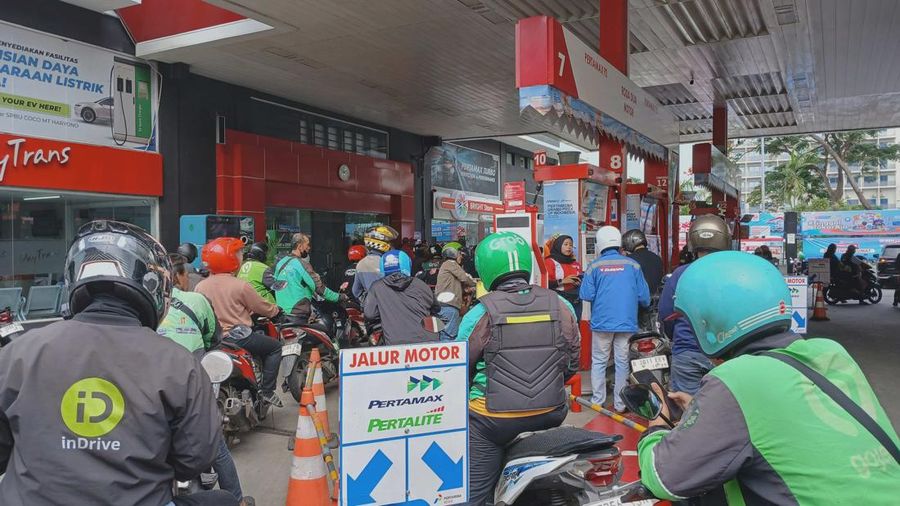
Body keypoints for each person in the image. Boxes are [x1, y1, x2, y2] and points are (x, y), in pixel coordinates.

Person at [0, 220, 235, 506]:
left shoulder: (17, 353)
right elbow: (194, 459)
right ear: (156, 286)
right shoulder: (179, 363)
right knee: (223, 500)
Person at [638, 252, 899, 504]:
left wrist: (657, 424)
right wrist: (709, 413)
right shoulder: (831, 352)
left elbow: (664, 478)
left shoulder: (736, 379)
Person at [456, 232, 581, 505]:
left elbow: (459, 369)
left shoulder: (479, 313)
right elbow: (572, 362)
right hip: (551, 412)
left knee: (471, 495)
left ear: (484, 269)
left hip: (490, 421)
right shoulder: (561, 305)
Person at [158, 253, 252, 506]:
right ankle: (237, 500)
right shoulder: (196, 299)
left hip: (152, 394)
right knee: (215, 444)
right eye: (185, 275)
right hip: (193, 383)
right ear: (179, 276)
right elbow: (213, 336)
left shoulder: (148, 305)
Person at [195, 237, 284, 408]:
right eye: (238, 253)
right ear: (230, 258)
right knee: (275, 347)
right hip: (239, 337)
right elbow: (262, 307)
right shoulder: (240, 286)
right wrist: (276, 311)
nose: (241, 256)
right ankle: (267, 391)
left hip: (213, 340)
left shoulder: (200, 286)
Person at [579, 226, 650, 412]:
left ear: (600, 244)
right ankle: (620, 403)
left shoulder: (594, 266)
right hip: (627, 322)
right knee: (622, 361)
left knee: (599, 361)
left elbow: (586, 294)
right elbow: (645, 298)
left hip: (602, 323)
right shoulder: (633, 265)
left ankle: (597, 401)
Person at [658, 215, 730, 395]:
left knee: (687, 408)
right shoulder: (734, 273)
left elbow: (666, 314)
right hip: (726, 353)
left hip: (687, 353)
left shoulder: (680, 274)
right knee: (727, 407)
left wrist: (678, 336)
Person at [364, 250, 440, 345]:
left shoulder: (377, 287)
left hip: (396, 342)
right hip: (427, 341)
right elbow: (436, 307)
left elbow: (370, 314)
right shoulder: (420, 284)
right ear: (407, 265)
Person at [274, 233, 345, 324]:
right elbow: (320, 289)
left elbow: (275, 285)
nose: (309, 248)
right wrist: (339, 297)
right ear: (300, 246)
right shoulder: (303, 265)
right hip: (298, 313)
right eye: (307, 245)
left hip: (281, 313)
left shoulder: (280, 264)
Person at [435, 243, 476, 341]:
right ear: (454, 254)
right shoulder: (450, 263)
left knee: (445, 334)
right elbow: (465, 278)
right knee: (449, 336)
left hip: (444, 305)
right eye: (460, 254)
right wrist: (476, 284)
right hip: (448, 305)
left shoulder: (446, 265)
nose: (461, 257)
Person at [352, 225, 398, 301]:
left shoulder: (361, 263)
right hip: (389, 304)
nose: (392, 246)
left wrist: (367, 302)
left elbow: (356, 291)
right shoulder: (388, 262)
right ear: (381, 243)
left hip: (370, 306)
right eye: (390, 243)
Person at [544, 234, 583, 318]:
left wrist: (578, 282)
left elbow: (580, 278)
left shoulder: (576, 263)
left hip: (575, 301)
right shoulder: (550, 262)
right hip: (558, 300)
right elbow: (544, 284)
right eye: (566, 244)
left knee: (576, 324)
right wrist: (562, 281)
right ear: (558, 245)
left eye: (571, 245)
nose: (569, 247)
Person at [623, 229, 664, 295]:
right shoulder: (657, 258)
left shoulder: (629, 260)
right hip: (656, 298)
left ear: (630, 242)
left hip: (639, 298)